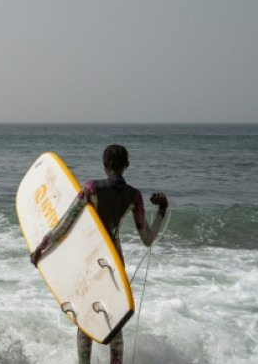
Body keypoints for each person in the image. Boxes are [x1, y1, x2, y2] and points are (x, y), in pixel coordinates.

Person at [30, 144, 169, 364]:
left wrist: (41, 246)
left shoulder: (91, 188)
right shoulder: (134, 196)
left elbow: (65, 223)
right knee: (115, 320)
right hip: (114, 264)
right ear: (127, 166)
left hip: (90, 262)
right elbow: (147, 239)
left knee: (86, 320)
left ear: (105, 165)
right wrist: (162, 210)